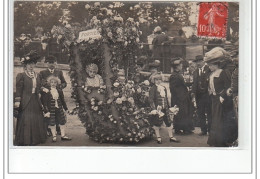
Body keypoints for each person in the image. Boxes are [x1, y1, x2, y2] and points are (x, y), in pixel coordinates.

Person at [205, 48, 237, 147]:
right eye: (209, 65)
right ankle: (214, 140)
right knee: (215, 119)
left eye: (211, 65)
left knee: (220, 120)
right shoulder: (211, 74)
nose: (209, 67)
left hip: (222, 100)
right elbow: (210, 86)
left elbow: (228, 86)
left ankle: (221, 141)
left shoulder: (223, 72)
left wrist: (222, 96)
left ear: (216, 64)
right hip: (214, 99)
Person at [14, 51, 46, 146]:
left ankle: (36, 139)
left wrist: (43, 89)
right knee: (26, 119)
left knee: (37, 118)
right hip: (26, 100)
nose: (31, 66)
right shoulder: (21, 76)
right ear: (26, 65)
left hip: (35, 100)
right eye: (29, 64)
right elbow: (19, 89)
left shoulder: (38, 75)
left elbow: (39, 86)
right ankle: (25, 139)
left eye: (33, 64)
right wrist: (17, 101)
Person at [39, 55, 67, 136]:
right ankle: (48, 129)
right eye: (49, 62)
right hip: (47, 96)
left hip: (57, 95)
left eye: (53, 62)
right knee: (48, 112)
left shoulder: (59, 72)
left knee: (58, 111)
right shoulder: (42, 73)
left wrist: (60, 87)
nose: (51, 64)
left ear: (56, 63)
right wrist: (46, 89)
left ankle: (58, 129)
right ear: (46, 63)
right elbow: (40, 84)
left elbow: (64, 83)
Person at [148, 74, 180, 144]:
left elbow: (166, 98)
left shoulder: (164, 88)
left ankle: (171, 137)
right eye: (156, 80)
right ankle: (158, 137)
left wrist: (168, 107)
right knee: (157, 123)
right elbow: (151, 100)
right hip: (158, 109)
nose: (158, 81)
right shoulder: (153, 88)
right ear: (154, 80)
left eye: (159, 79)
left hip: (165, 108)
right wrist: (154, 109)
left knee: (168, 122)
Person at [42, 76, 71, 142]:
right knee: (52, 122)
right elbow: (45, 102)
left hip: (59, 108)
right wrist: (46, 111)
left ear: (57, 83)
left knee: (62, 121)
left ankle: (63, 135)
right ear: (49, 83)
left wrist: (66, 109)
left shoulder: (59, 91)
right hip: (51, 109)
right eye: (52, 82)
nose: (53, 83)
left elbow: (63, 100)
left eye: (55, 82)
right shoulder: (47, 91)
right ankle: (54, 136)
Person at [169, 58, 194, 135]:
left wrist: (191, 84)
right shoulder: (174, 76)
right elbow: (173, 88)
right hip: (179, 98)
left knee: (183, 113)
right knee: (181, 113)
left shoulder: (177, 74)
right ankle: (182, 129)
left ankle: (182, 129)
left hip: (182, 97)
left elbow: (182, 85)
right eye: (180, 65)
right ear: (176, 67)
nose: (181, 66)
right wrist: (179, 97)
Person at [191, 55, 212, 136]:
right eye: (197, 62)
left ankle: (210, 130)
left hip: (207, 95)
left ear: (204, 61)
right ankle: (203, 130)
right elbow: (194, 83)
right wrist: (193, 93)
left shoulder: (209, 69)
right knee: (201, 112)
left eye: (200, 61)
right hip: (199, 96)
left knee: (209, 112)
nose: (198, 63)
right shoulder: (195, 71)